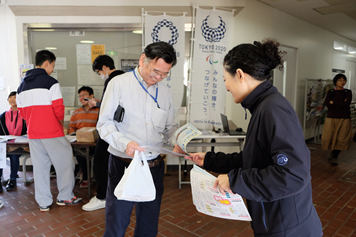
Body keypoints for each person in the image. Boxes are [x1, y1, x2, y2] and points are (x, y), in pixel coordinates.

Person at [179, 39, 323, 236]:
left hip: (287, 227)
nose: (226, 87)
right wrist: (212, 160)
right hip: (275, 221)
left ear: (239, 74)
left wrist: (235, 181)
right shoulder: (263, 106)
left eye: (225, 79)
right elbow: (257, 159)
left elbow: (293, 174)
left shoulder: (273, 109)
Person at [97, 42, 178, 236]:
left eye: (165, 74)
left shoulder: (165, 92)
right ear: (143, 60)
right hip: (123, 164)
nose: (159, 77)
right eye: (156, 71)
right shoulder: (119, 84)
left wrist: (178, 141)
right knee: (117, 221)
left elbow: (170, 128)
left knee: (149, 225)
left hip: (154, 166)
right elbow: (104, 124)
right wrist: (125, 143)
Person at [16, 50, 82, 212]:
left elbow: (22, 113)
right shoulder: (50, 82)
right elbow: (59, 110)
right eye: (52, 65)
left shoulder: (21, 86)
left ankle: (43, 202)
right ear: (47, 63)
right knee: (66, 162)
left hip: (33, 133)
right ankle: (65, 196)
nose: (52, 68)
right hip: (52, 131)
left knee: (40, 167)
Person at [82, 55, 124, 211]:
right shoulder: (124, 78)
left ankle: (101, 197)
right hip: (120, 131)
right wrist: (99, 102)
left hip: (109, 130)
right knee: (115, 164)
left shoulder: (112, 79)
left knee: (100, 163)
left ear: (105, 68)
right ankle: (112, 195)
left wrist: (96, 103)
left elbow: (111, 108)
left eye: (99, 71)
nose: (100, 75)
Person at [68, 86, 99, 188]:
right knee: (80, 155)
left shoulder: (99, 110)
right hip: (80, 143)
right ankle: (86, 177)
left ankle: (95, 177)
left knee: (97, 157)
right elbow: (71, 127)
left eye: (84, 95)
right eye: (80, 96)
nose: (82, 98)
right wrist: (74, 135)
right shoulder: (76, 112)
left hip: (94, 143)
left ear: (91, 96)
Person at [321, 74, 352, 165]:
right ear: (335, 82)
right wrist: (341, 103)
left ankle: (335, 156)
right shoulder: (330, 92)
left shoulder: (348, 92)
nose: (342, 82)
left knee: (341, 138)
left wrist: (334, 102)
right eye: (340, 80)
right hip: (331, 117)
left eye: (344, 80)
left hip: (344, 118)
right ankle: (332, 153)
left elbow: (346, 104)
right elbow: (328, 104)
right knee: (328, 137)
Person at [0, 91, 27, 192]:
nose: (12, 99)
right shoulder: (2, 116)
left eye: (15, 97)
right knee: (0, 154)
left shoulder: (25, 115)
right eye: (10, 97)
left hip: (20, 145)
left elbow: (28, 132)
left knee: (14, 155)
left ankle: (12, 180)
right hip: (5, 145)